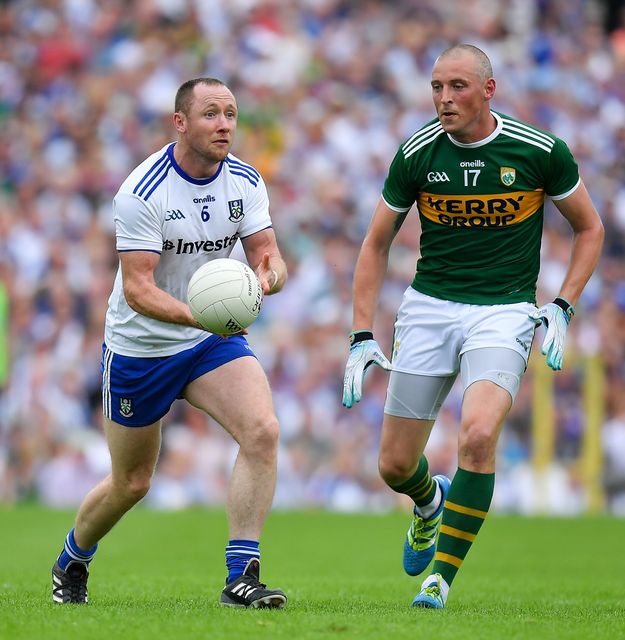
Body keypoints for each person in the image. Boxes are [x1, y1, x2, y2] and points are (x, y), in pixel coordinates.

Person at [342, 44, 604, 609]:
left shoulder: (539, 150)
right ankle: (429, 503)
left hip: (503, 310)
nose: (443, 98)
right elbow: (376, 242)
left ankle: (440, 580)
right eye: (436, 86)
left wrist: (562, 303)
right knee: (392, 466)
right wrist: (362, 332)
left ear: (489, 90)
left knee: (479, 435)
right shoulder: (416, 152)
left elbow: (590, 229)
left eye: (457, 86)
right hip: (429, 307)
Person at [51, 78, 288, 609]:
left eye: (230, 113)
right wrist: (204, 317)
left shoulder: (247, 181)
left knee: (263, 431)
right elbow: (138, 289)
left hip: (210, 343)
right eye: (210, 114)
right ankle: (72, 558)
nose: (224, 124)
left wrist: (268, 276)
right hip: (142, 347)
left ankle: (240, 575)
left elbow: (269, 254)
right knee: (132, 482)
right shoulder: (142, 190)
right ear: (180, 123)